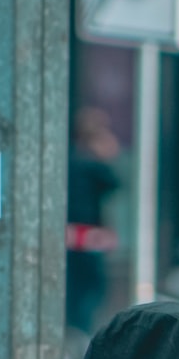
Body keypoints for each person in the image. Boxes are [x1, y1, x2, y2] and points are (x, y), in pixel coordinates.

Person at [66, 106, 121, 336]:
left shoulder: (71, 162)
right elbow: (113, 182)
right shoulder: (89, 165)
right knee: (87, 297)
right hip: (84, 241)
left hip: (80, 239)